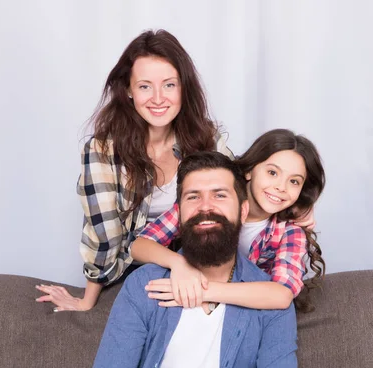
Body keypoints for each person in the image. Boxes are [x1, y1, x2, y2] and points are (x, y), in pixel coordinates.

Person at [35, 29, 234, 311]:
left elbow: (240, 194)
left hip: (206, 259)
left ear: (183, 87)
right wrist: (87, 300)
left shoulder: (207, 138)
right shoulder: (102, 151)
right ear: (128, 90)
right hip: (142, 266)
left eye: (169, 85)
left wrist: (297, 211)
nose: (157, 98)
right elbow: (106, 233)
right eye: (144, 86)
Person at [85, 152, 298, 368]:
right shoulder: (144, 286)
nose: (206, 207)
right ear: (180, 213)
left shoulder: (269, 300)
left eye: (219, 195)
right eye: (193, 197)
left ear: (243, 210)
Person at [132, 128, 325, 312]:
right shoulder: (209, 203)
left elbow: (282, 294)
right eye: (272, 173)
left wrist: (202, 291)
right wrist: (179, 264)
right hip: (190, 297)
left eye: (294, 181)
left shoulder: (290, 231)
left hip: (241, 306)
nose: (281, 187)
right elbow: (139, 245)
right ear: (250, 170)